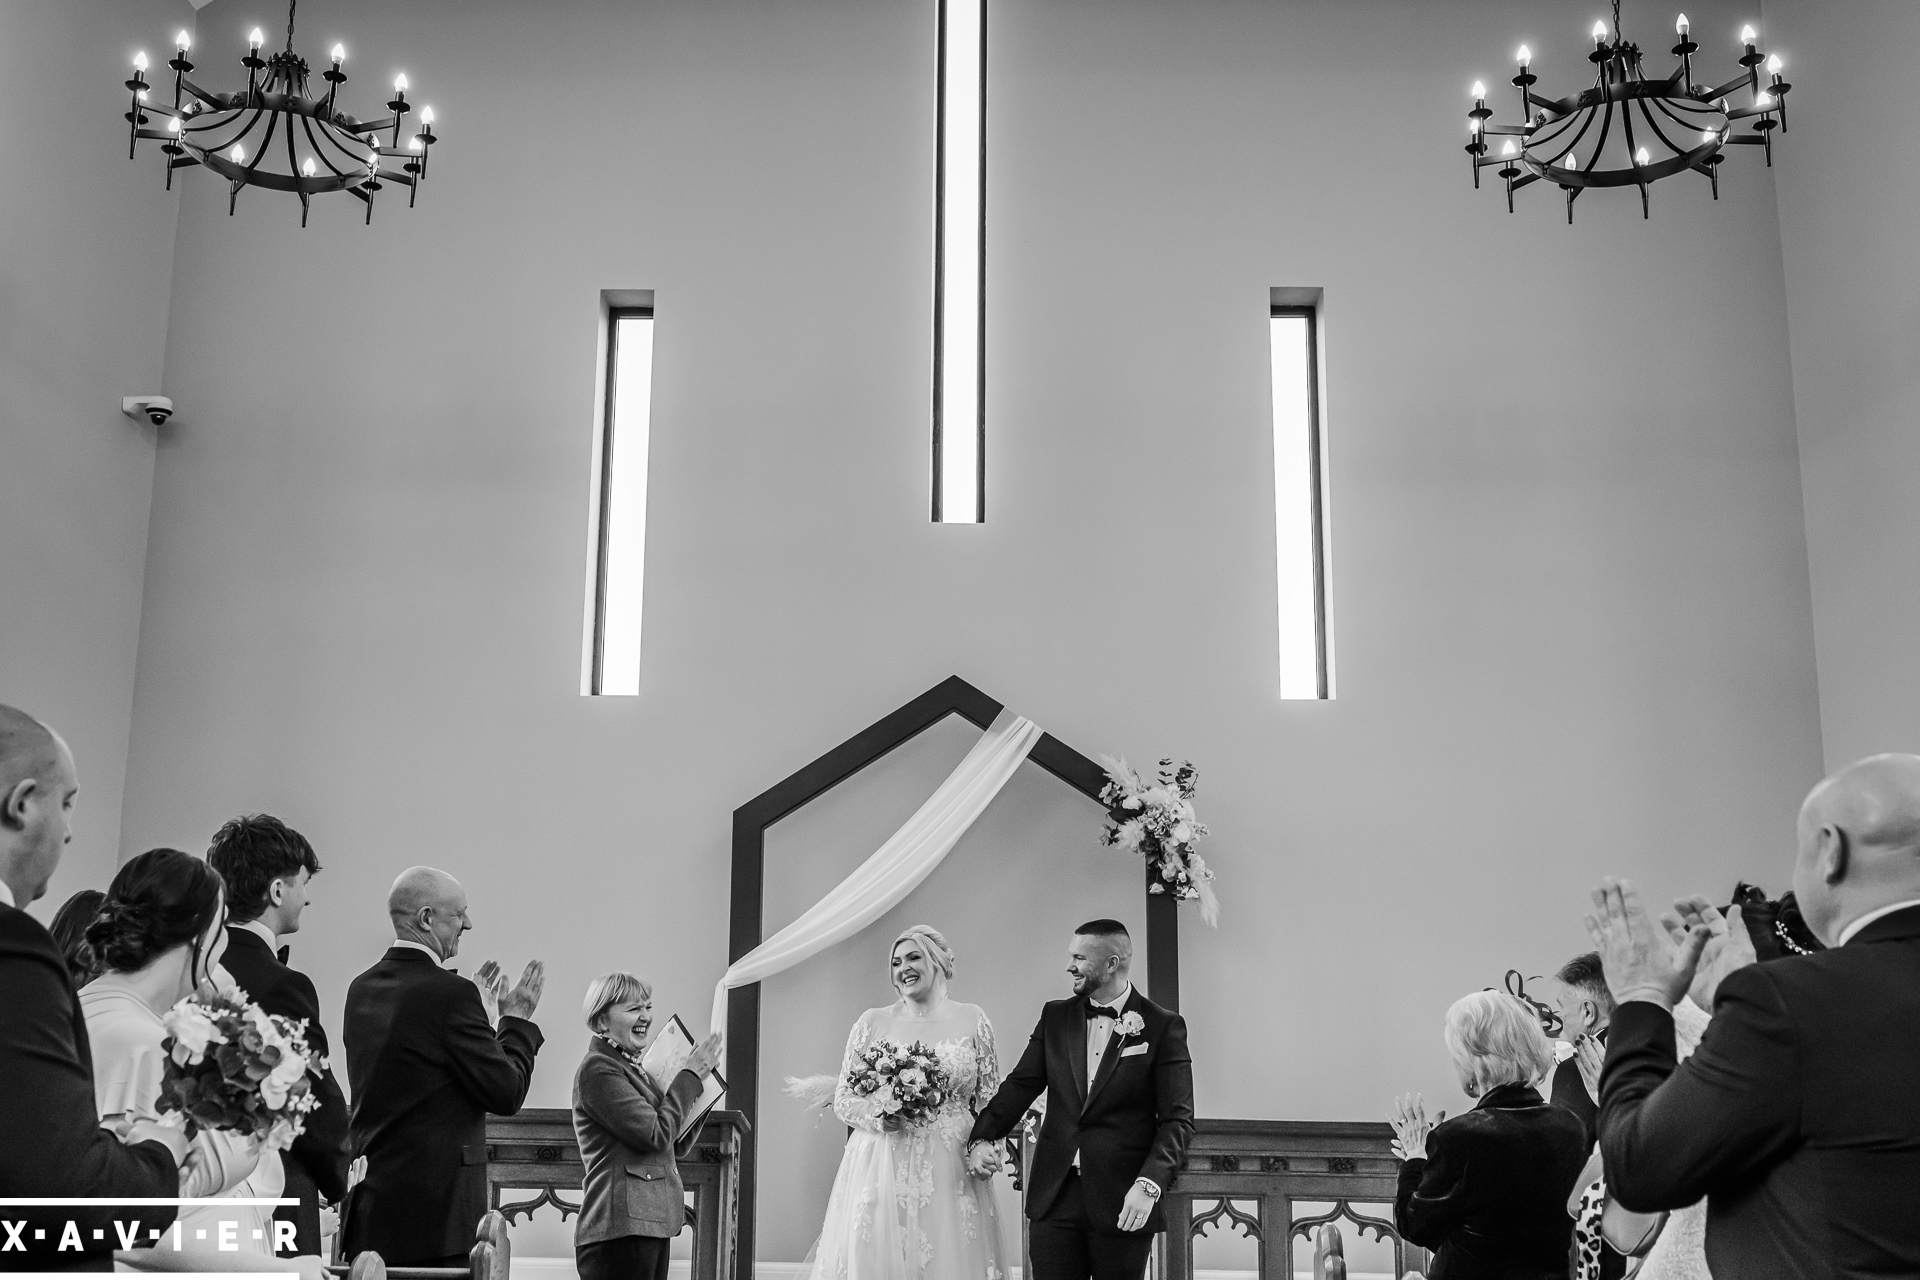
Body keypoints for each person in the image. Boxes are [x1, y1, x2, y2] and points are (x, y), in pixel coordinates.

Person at [1588, 752, 1920, 1276]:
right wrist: (1736, 1002)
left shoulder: (1793, 1004)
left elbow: (1640, 1167)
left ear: (1829, 851)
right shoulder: (1791, 1002)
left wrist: (1642, 998)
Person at [0, 704, 185, 1272]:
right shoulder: (14, 952)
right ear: (23, 803)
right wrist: (160, 1154)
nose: (72, 829)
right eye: (67, 802)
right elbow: (60, 1192)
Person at [81, 847, 317, 1275]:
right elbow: (124, 1224)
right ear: (202, 938)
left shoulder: (82, 1010)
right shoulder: (149, 1046)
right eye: (221, 927)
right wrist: (276, 1271)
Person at [967, 919, 1194, 1280]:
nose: (1070, 966)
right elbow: (1021, 1086)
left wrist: (1149, 1184)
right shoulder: (1055, 1016)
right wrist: (981, 1136)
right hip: (1055, 1194)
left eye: (1080, 958)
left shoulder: (1163, 1026)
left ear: (1112, 964)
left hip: (1124, 1196)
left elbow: (1177, 1120)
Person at [342, 867, 546, 1268]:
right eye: (459, 914)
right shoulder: (450, 995)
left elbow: (421, 1073)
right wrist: (514, 1023)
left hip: (372, 1210)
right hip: (437, 1219)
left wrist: (478, 1024)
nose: (467, 923)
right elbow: (505, 1092)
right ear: (426, 918)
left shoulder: (360, 987)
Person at [802, 926, 1010, 1280]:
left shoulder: (973, 1019)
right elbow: (844, 1098)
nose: (903, 968)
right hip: (882, 1163)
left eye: (914, 957)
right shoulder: (872, 1022)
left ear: (940, 961)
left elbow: (992, 1100)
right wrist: (879, 1117)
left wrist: (990, 1146)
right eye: (896, 962)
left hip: (950, 1166)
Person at [207, 814, 349, 1256]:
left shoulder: (193, 966)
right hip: (274, 1191)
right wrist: (338, 1175)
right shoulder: (283, 984)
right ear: (277, 890)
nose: (307, 898)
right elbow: (309, 1098)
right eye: (303, 884)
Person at [1389, 990, 1588, 1279]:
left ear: (1474, 1063)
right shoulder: (1570, 1126)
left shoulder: (1458, 1138)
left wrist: (1415, 1158)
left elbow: (1415, 1227)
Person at [572, 972, 722, 1280]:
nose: (645, 1017)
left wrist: (704, 1088)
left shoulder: (631, 1069)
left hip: (646, 1224)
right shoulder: (599, 1069)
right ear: (602, 1021)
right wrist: (690, 1076)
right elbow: (656, 1135)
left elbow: (674, 1142)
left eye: (648, 1007)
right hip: (619, 1231)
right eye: (633, 1009)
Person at [1548, 953, 1612, 1150]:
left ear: (1587, 1012)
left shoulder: (1576, 1069)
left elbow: (1559, 1151)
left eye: (1562, 1008)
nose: (1560, 1017)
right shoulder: (1654, 1051)